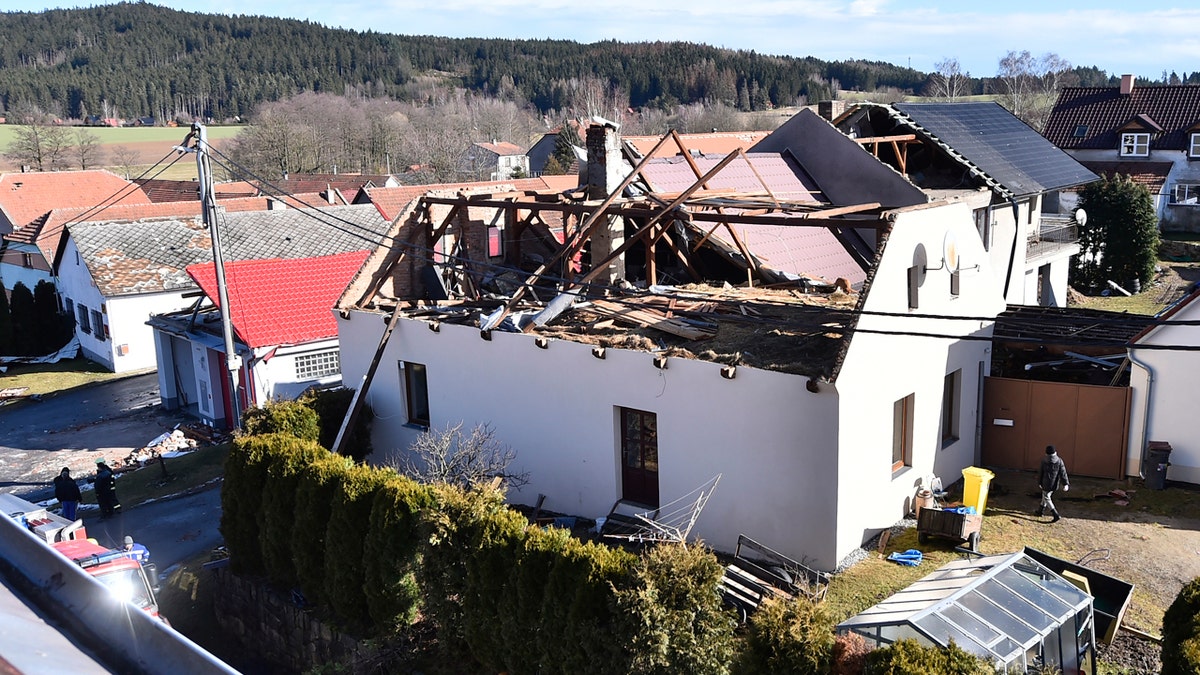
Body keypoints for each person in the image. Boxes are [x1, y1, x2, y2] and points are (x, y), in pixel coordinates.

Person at [1037, 445, 1070, 523]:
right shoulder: (1059, 461)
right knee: (1045, 496)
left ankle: (1055, 514)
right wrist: (1065, 484)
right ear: (1055, 452)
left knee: (1046, 497)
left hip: (1045, 483)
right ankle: (1040, 511)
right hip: (1054, 483)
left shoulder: (1044, 461)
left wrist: (1039, 482)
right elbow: (1063, 473)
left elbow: (1040, 472)